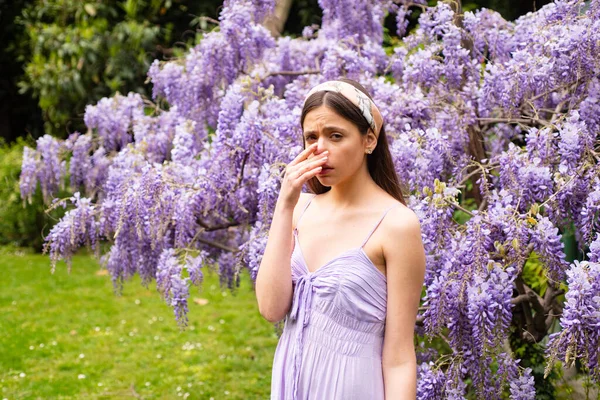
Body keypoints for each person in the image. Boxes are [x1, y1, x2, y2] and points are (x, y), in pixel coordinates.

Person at [255, 78, 426, 399]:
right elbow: (271, 308)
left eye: (335, 136)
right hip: (293, 384)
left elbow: (400, 357)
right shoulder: (299, 210)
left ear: (369, 140)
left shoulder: (397, 225)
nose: (319, 149)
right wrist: (285, 203)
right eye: (311, 137)